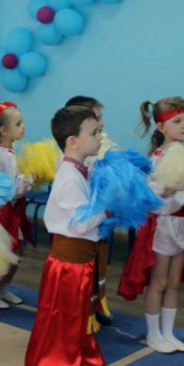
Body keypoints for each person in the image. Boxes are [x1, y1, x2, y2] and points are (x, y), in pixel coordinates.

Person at [24, 105, 105, 366]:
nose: (99, 137)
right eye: (94, 133)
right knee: (60, 325)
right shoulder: (69, 177)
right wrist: (109, 205)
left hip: (81, 263)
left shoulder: (78, 168)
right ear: (72, 141)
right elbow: (83, 222)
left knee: (77, 324)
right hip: (67, 266)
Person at [118, 97, 184, 353]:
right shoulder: (157, 158)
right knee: (158, 283)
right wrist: (164, 190)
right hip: (164, 227)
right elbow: (148, 193)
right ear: (161, 127)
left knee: (173, 283)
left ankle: (169, 333)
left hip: (183, 227)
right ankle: (153, 334)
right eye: (177, 121)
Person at [65, 96, 114, 327]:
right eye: (97, 119)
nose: (102, 124)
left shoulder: (100, 149)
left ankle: (97, 303)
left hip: (97, 223)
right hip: (80, 230)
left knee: (99, 265)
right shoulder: (71, 166)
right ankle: (85, 313)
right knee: (84, 274)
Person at [0, 102, 33, 309]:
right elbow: (7, 188)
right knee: (6, 252)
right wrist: (29, 179)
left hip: (12, 209)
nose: (24, 127)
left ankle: (3, 287)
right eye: (19, 123)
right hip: (1, 212)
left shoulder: (8, 152)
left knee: (18, 250)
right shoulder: (0, 154)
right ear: (3, 130)